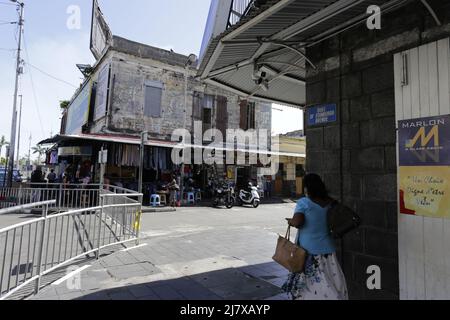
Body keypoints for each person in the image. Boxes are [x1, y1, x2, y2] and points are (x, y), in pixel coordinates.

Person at [282, 173, 348, 300]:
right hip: (329, 252)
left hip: (309, 254)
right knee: (331, 283)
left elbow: (297, 222)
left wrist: (290, 221)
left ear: (308, 187)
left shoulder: (304, 202)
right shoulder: (330, 202)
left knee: (310, 289)